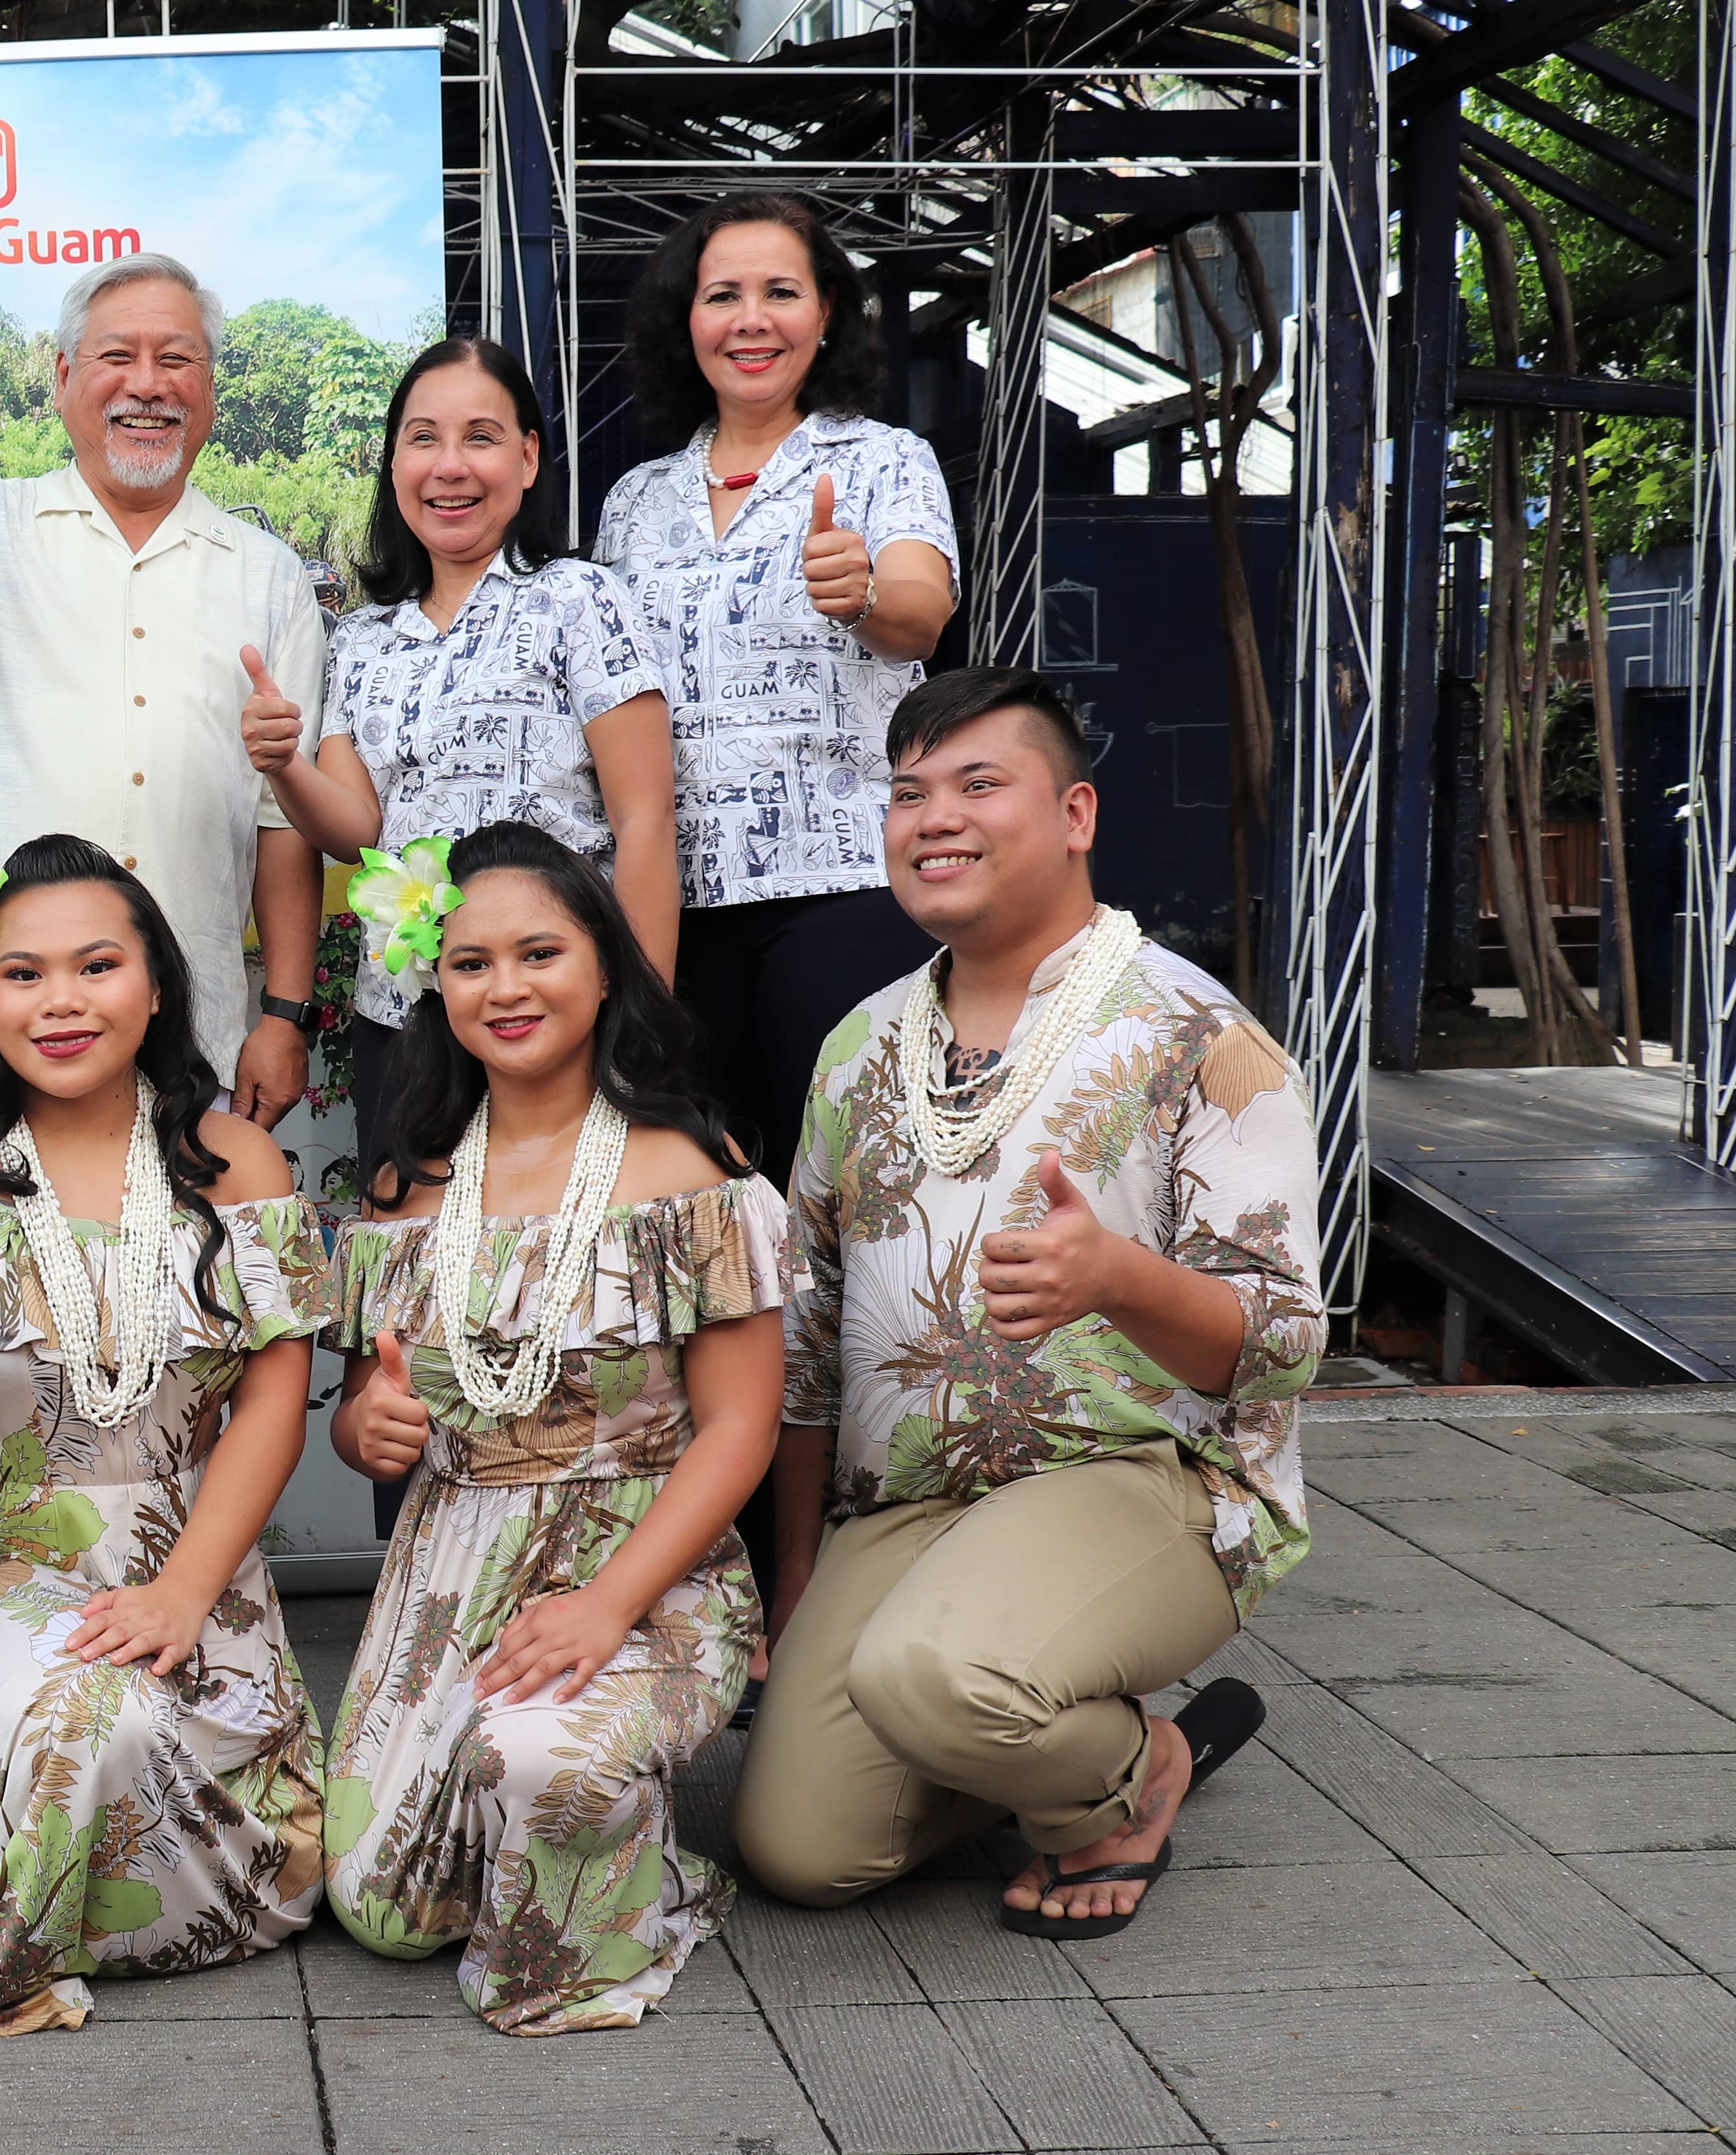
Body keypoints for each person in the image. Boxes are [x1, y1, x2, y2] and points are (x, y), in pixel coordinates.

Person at [735, 666, 1318, 1938]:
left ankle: (1131, 1775)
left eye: (977, 783)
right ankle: (1011, 1715)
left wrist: (1115, 1277)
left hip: (1152, 1483)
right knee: (796, 1845)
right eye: (907, 792)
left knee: (935, 1672)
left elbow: (1280, 1344)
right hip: (916, 1502)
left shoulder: (1192, 1032)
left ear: (1076, 816)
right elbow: (808, 1348)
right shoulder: (860, 1048)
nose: (932, 816)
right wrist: (795, 1574)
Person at [0, 835, 326, 2034]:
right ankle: (12, 1937)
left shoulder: (239, 1165)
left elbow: (273, 1402)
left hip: (180, 1556)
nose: (60, 1002)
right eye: (23, 973)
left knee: (291, 1858)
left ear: (156, 984)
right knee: (97, 1715)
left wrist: (187, 1592)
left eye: (96, 966)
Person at [320, 822, 785, 2034]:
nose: (506, 988)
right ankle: (559, 1811)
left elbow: (741, 1426)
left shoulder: (686, 1164)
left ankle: (618, 1853)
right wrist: (365, 1425)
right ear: (437, 984)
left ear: (604, 964)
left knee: (543, 1765)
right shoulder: (407, 1180)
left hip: (646, 1552)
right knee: (381, 1907)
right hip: (453, 1554)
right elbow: (365, 1412)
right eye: (471, 964)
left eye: (539, 953)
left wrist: (610, 1603)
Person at [0, 253, 326, 1122]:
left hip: (186, 1025)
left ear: (211, 387)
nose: (147, 385)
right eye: (117, 357)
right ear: (63, 377)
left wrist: (283, 1014)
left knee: (177, 1256)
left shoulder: (268, 578)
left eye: (177, 359)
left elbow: (282, 827)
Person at [234, 337, 677, 1172]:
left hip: (553, 1014)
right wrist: (282, 765)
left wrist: (639, 1025)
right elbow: (352, 826)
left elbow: (645, 819)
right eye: (423, 438)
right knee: (413, 1269)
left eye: (479, 436)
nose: (449, 466)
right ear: (393, 461)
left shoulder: (579, 599)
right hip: (399, 1020)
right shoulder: (361, 640)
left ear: (527, 457)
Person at [595, 189, 961, 1189]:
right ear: (688, 322)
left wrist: (865, 591)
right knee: (703, 1188)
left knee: (852, 1184)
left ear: (827, 313)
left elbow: (923, 610)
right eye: (722, 295)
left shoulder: (883, 459)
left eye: (779, 292)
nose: (749, 319)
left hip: (839, 888)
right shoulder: (633, 502)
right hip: (671, 904)